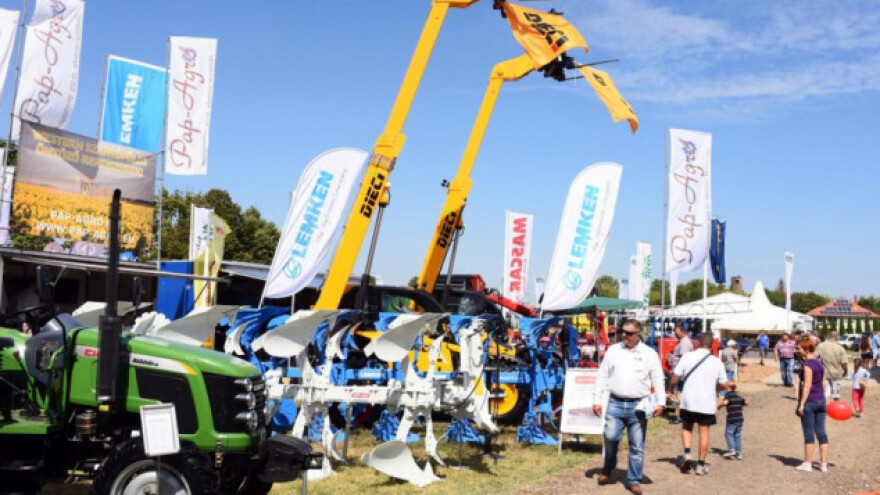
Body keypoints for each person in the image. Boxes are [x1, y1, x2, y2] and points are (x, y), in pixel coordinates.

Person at [593, 319, 665, 495]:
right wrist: (597, 399)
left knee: (637, 446)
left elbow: (658, 378)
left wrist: (661, 402)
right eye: (622, 331)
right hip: (615, 403)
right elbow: (602, 376)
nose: (624, 335)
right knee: (610, 437)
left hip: (638, 406)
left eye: (629, 333)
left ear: (638, 334)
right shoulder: (613, 351)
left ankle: (633, 480)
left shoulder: (649, 353)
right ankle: (608, 467)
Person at [668, 332, 730, 476]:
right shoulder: (717, 362)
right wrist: (715, 388)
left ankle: (688, 453)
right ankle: (701, 465)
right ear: (712, 345)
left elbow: (675, 377)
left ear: (698, 343)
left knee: (687, 427)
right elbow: (723, 385)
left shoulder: (687, 357)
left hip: (688, 400)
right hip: (706, 402)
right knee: (704, 432)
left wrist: (670, 390)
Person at [795, 339, 829, 473]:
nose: (797, 351)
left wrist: (801, 404)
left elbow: (807, 385)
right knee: (821, 432)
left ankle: (808, 464)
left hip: (810, 402)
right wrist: (823, 398)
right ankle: (823, 464)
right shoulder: (820, 363)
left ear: (806, 350)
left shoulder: (808, 365)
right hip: (821, 400)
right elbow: (824, 383)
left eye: (799, 348)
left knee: (809, 433)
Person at [665, 325, 693, 425]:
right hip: (681, 372)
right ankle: (682, 415)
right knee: (680, 394)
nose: (675, 334)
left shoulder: (684, 342)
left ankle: (679, 416)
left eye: (676, 332)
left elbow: (683, 358)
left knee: (677, 394)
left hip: (679, 373)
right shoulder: (684, 341)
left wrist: (678, 373)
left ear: (682, 331)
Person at [718, 382, 747, 460]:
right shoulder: (738, 397)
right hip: (740, 419)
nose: (724, 390)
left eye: (725, 389)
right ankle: (739, 453)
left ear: (727, 389)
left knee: (728, 434)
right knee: (737, 436)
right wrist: (743, 404)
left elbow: (725, 402)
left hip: (732, 419)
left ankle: (732, 450)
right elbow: (746, 402)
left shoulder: (728, 396)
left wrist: (719, 406)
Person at [815, 332, 848, 400]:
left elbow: (814, 357)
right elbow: (844, 363)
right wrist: (845, 372)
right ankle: (835, 409)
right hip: (837, 374)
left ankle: (824, 408)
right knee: (836, 395)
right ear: (836, 337)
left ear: (829, 337)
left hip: (824, 374)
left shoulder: (821, 346)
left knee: (825, 394)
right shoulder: (841, 348)